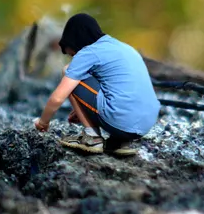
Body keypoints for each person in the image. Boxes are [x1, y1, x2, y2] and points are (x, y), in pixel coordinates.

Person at [32, 13, 159, 156]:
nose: (74, 59)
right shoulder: (123, 47)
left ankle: (92, 137)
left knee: (68, 72)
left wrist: (43, 123)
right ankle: (119, 142)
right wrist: (86, 108)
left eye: (72, 55)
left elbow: (57, 98)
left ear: (74, 41)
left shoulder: (88, 52)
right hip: (145, 124)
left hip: (119, 120)